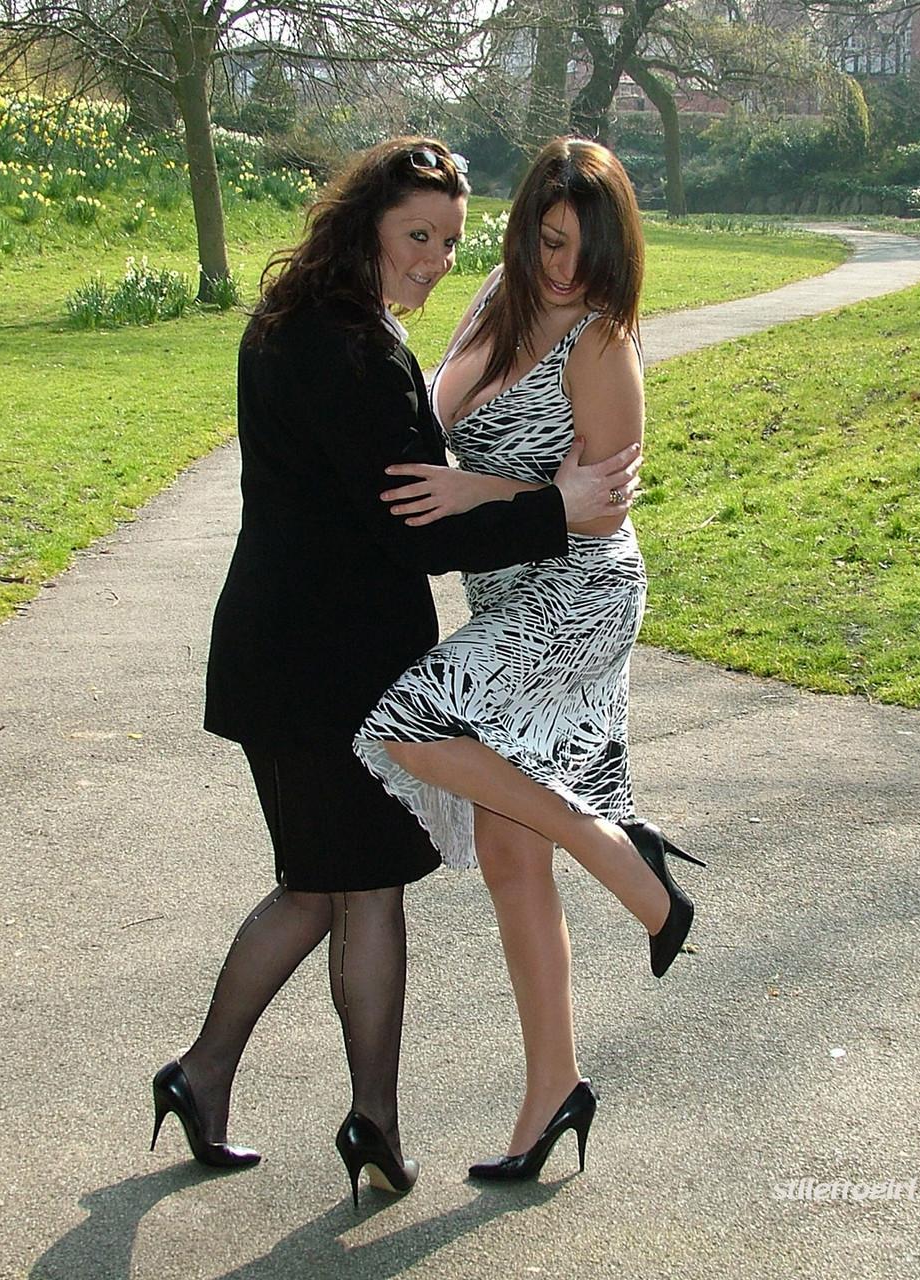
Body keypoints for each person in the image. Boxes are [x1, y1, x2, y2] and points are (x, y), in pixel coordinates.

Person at [147, 136, 643, 1208]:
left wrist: (527, 497)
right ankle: (286, 1094)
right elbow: (414, 528)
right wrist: (558, 509)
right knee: (345, 884)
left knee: (337, 881)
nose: (433, 257)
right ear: (367, 222)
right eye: (417, 234)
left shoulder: (290, 321)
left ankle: (276, 1093)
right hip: (327, 665)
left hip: (282, 652)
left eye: (450, 239)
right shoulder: (357, 352)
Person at [355, 138, 704, 1183]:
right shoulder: (491, 308)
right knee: (510, 857)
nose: (563, 268)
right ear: (523, 231)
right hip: (504, 589)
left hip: (582, 596)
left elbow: (597, 515)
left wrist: (473, 494)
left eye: (585, 248)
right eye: (550, 242)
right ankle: (552, 1089)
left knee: (403, 725)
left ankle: (623, 856)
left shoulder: (601, 343)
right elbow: (424, 419)